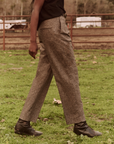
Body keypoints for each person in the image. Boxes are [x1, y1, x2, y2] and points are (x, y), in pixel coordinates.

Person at [14, 0, 102, 138]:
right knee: (68, 73)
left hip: (48, 28)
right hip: (54, 28)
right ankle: (80, 124)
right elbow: (36, 8)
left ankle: (23, 123)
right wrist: (32, 41)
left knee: (42, 76)